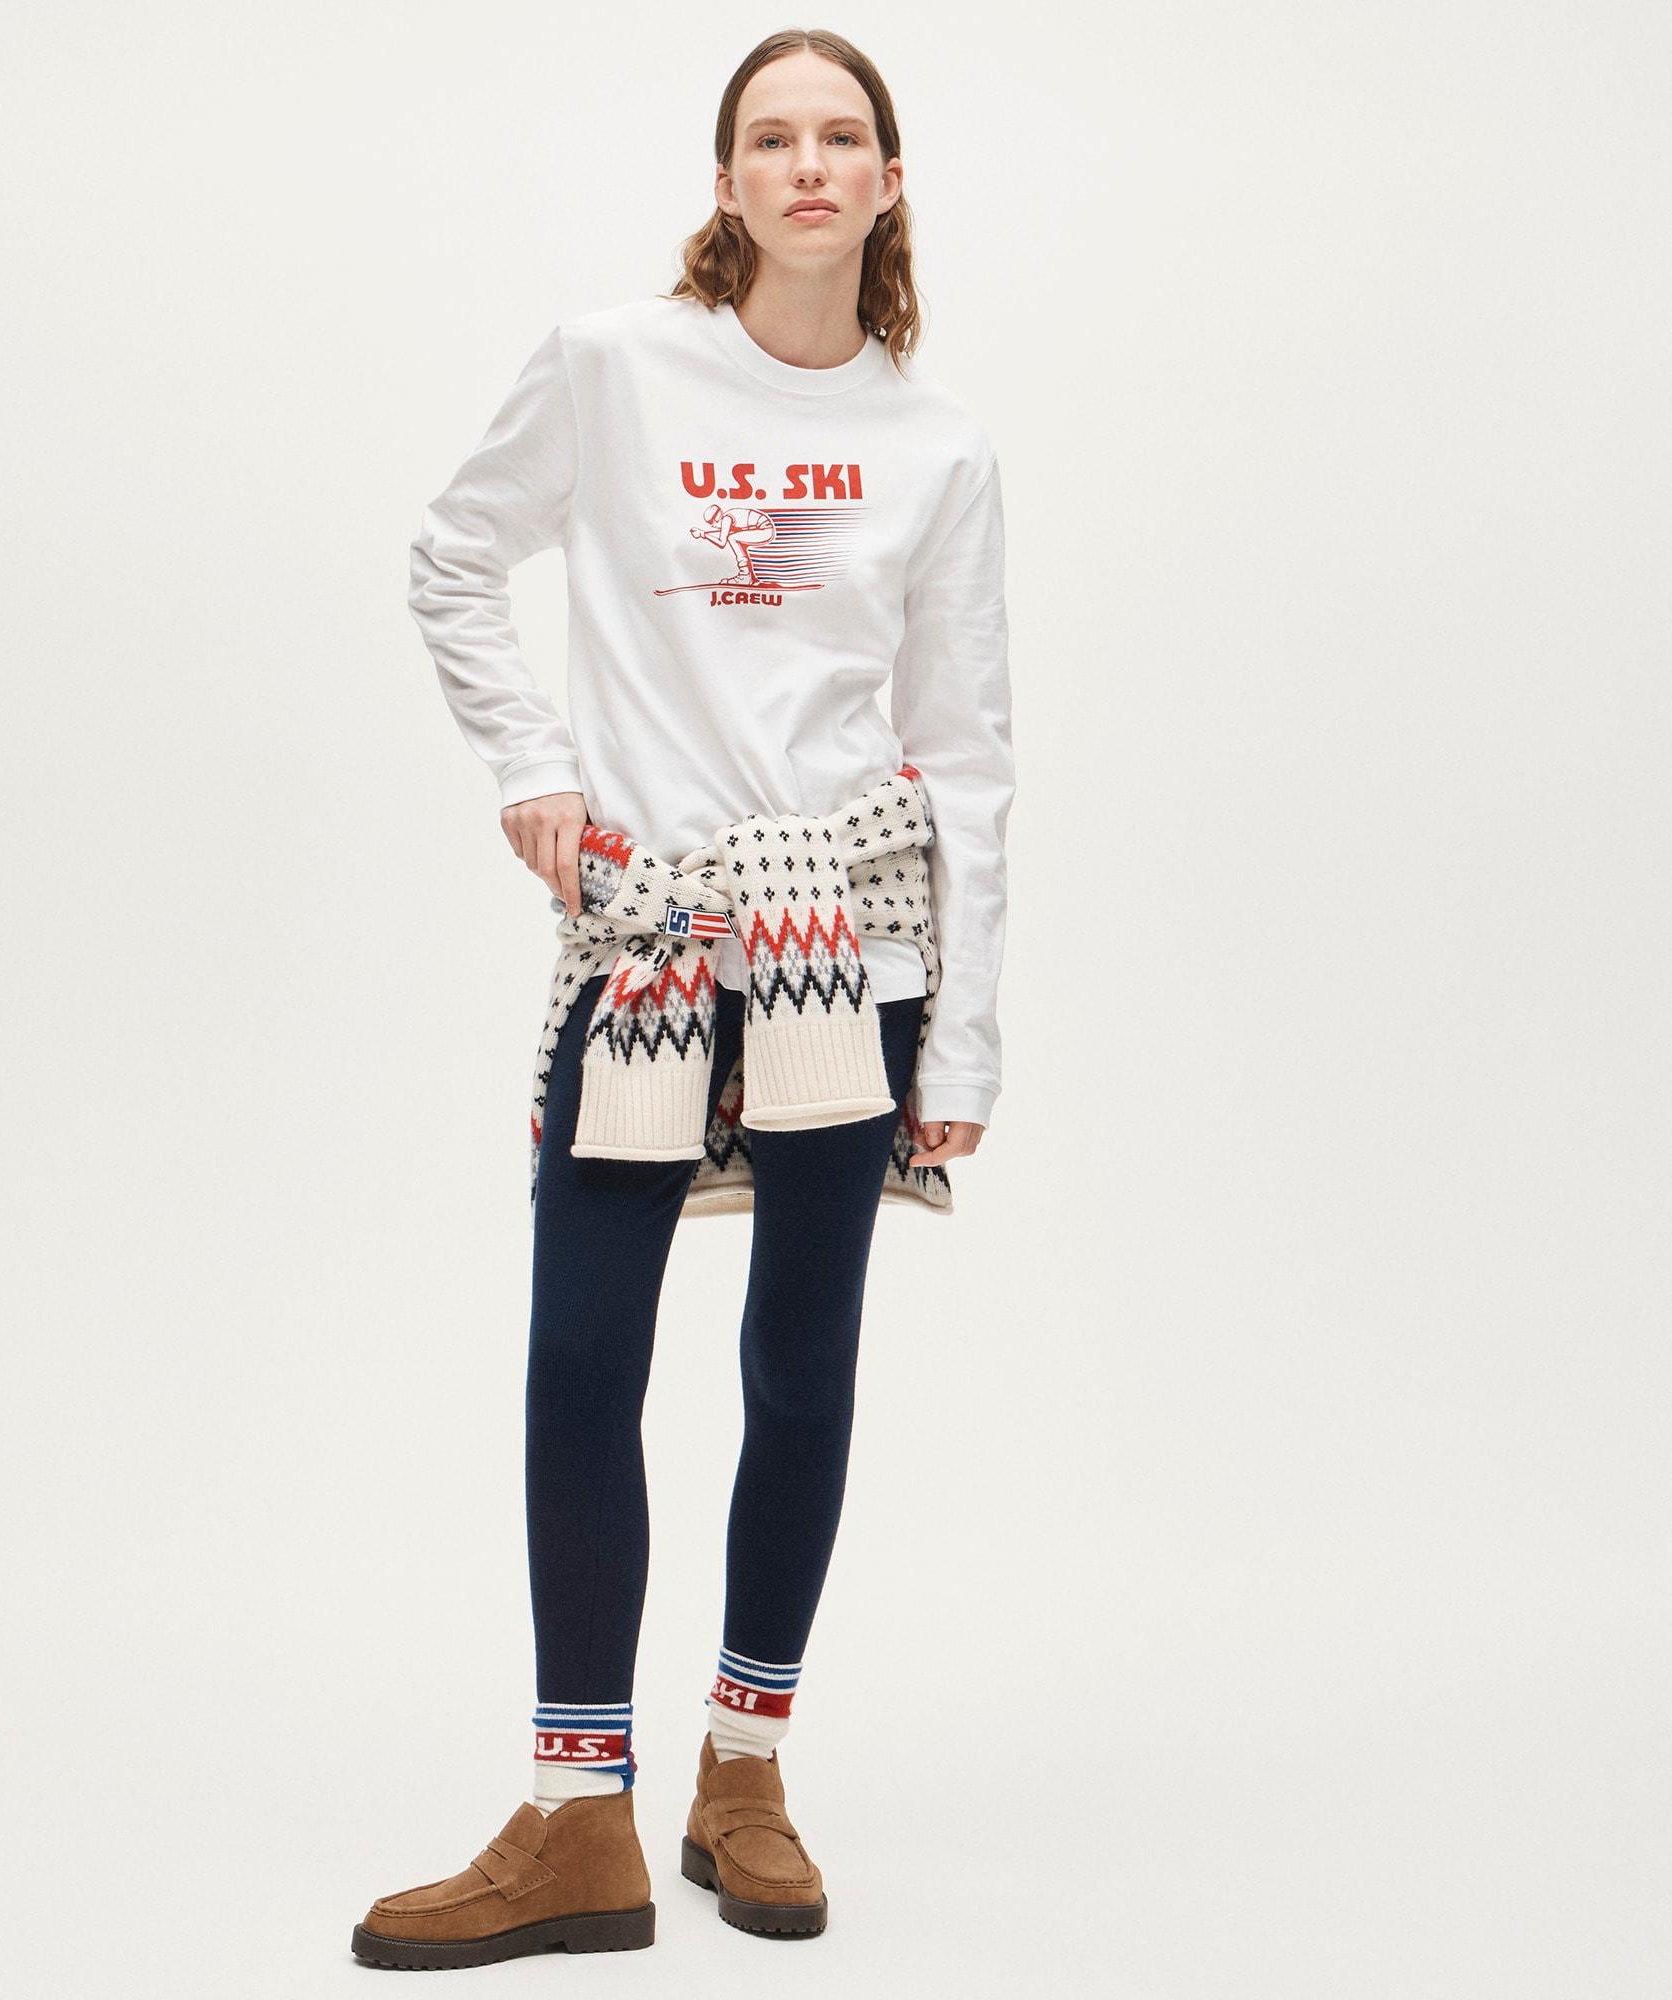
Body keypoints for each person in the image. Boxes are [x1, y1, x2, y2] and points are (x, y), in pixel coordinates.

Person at [352, 26, 1015, 1972]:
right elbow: (454, 555)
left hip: (847, 955)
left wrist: (965, 1033)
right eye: (771, 138)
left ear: (887, 182)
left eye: (842, 137)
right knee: (582, 1356)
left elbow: (967, 750)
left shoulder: (939, 445)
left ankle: (744, 1771)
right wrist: (531, 769)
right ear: (726, 181)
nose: (808, 164)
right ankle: (578, 1816)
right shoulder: (612, 367)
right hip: (647, 932)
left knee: (800, 1366)